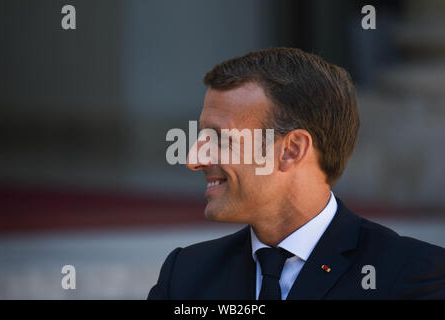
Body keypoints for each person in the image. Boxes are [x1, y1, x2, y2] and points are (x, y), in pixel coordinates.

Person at [148, 47, 445, 300]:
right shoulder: (185, 275)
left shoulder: (411, 273)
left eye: (221, 139)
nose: (193, 159)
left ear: (291, 150)